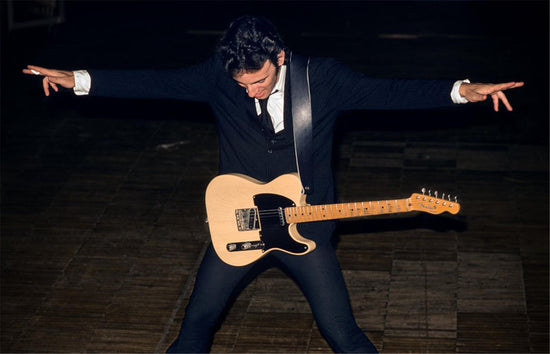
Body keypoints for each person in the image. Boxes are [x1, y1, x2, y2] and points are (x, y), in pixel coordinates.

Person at [23, 15, 523, 353]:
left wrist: (461, 91)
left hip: (303, 229)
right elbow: (154, 81)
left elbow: (391, 92)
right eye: (242, 84)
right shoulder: (222, 76)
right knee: (197, 323)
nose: (251, 90)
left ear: (279, 56)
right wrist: (78, 77)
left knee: (340, 330)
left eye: (258, 80)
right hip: (238, 223)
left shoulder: (322, 79)